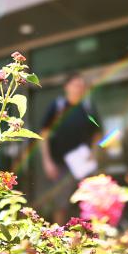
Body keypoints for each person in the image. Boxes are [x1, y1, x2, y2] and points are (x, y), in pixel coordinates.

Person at [40, 72, 102, 224]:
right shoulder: (57, 106)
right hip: (61, 165)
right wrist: (47, 162)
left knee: (89, 202)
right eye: (75, 85)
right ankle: (59, 240)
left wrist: (94, 154)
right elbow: (44, 134)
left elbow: (97, 133)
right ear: (66, 86)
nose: (78, 88)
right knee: (60, 205)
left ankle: (89, 239)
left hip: (84, 165)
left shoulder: (88, 107)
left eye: (81, 86)